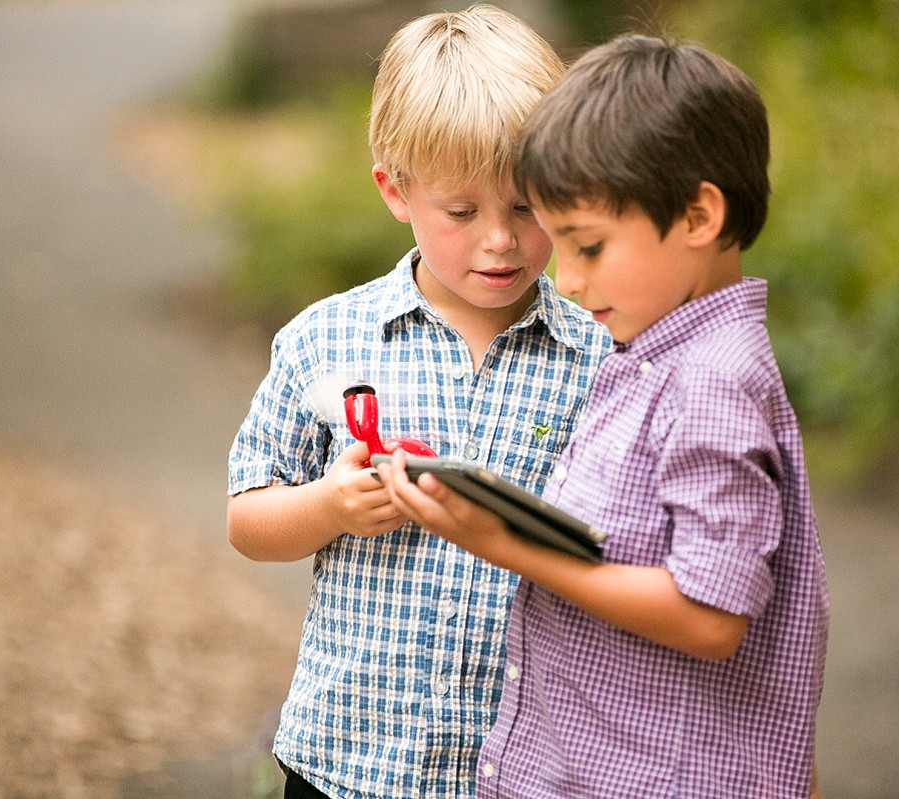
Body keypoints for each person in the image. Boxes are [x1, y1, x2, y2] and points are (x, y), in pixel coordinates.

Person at [379, 33, 829, 798]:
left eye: (587, 247)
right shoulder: (650, 353)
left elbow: (711, 614)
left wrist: (509, 546)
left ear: (698, 215)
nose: (569, 282)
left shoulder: (711, 381)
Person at [225, 6, 610, 798]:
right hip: (344, 759)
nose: (499, 240)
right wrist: (330, 504)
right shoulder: (324, 340)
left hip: (525, 768)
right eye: (462, 212)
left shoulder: (598, 356)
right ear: (395, 191)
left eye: (527, 207)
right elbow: (247, 518)